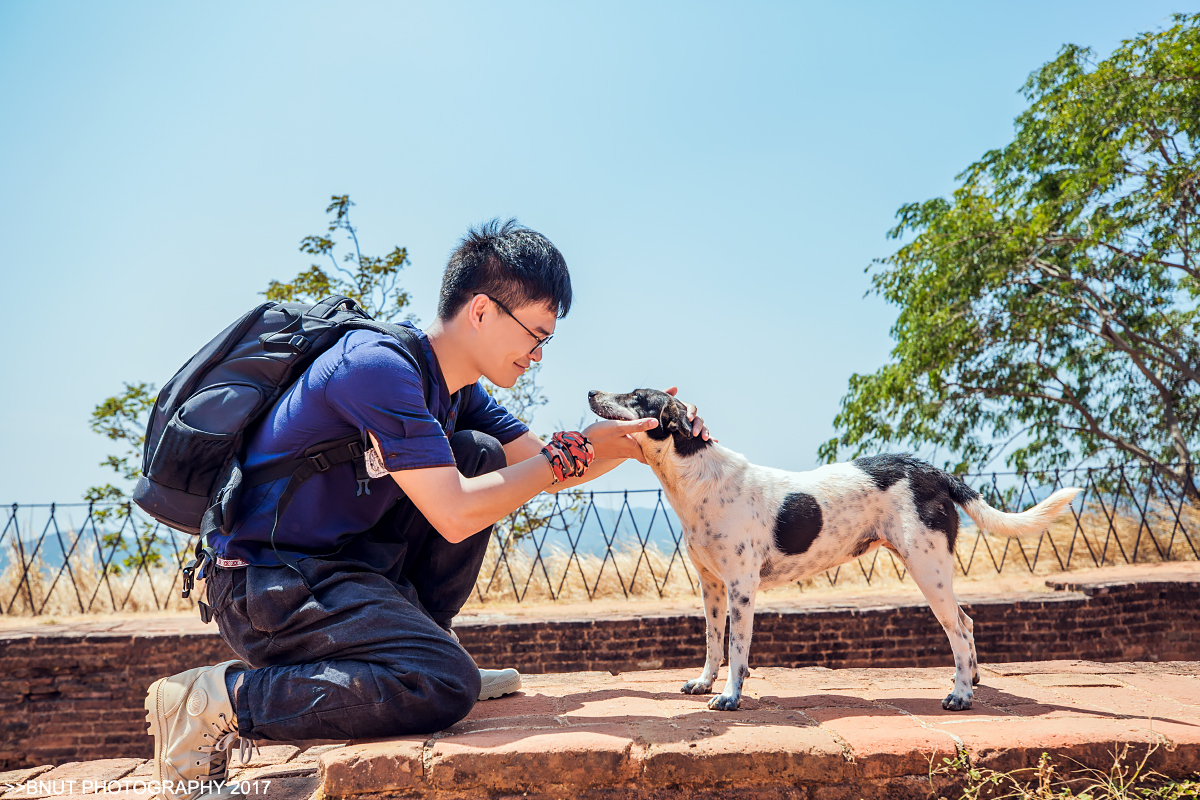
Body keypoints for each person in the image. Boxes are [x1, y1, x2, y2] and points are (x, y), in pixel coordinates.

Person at [143, 219, 710, 799]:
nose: (537, 355)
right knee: (443, 685)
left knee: (482, 455)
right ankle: (216, 700)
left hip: (339, 572)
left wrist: (643, 437)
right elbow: (457, 513)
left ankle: (420, 640)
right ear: (483, 311)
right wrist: (568, 456)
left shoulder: (459, 389)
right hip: (268, 585)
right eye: (535, 334)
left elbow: (545, 468)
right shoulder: (376, 368)